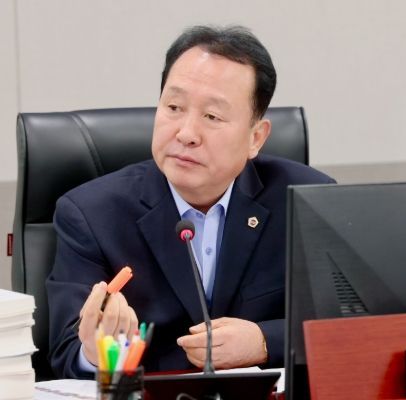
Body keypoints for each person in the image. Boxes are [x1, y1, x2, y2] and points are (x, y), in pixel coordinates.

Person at [46, 25, 335, 378]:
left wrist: (264, 341)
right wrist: (96, 353)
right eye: (174, 107)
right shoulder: (91, 214)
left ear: (255, 138)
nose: (185, 134)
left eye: (212, 116)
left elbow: (347, 325)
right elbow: (65, 355)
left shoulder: (307, 200)